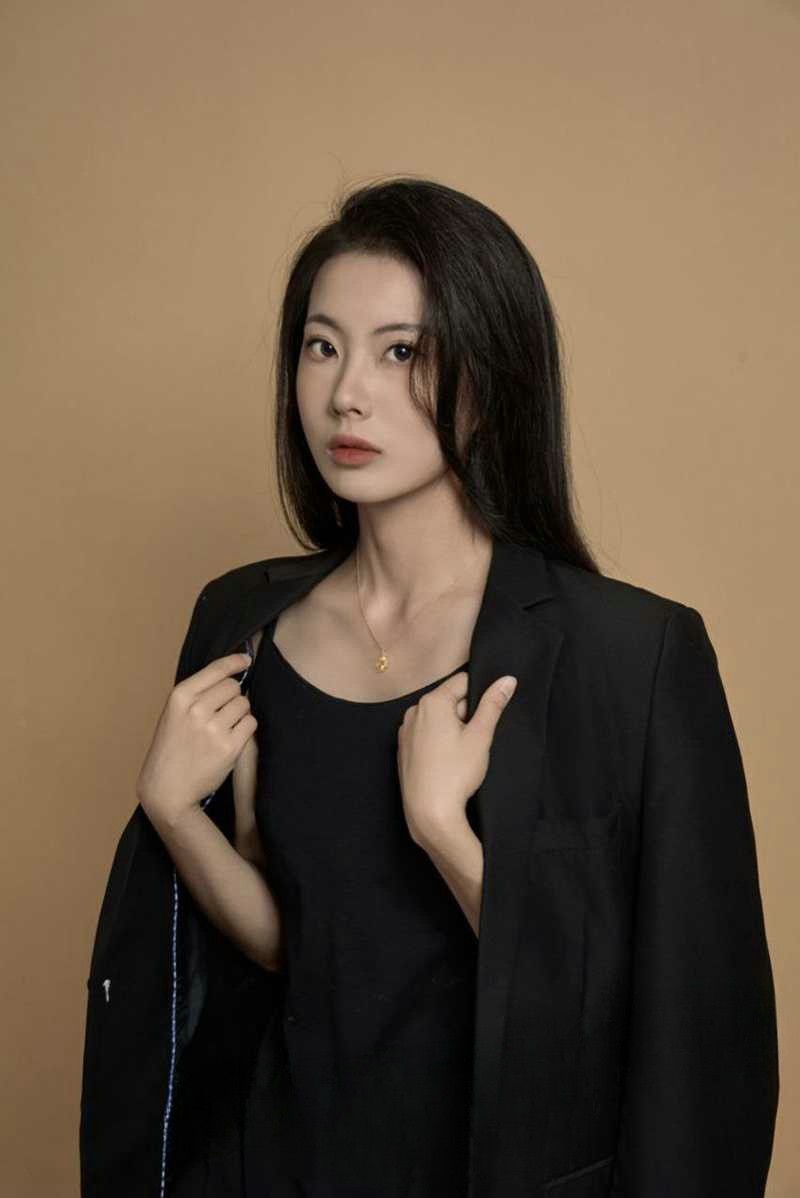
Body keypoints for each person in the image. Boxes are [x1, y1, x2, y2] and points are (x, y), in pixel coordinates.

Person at [81, 177, 779, 1198]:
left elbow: (676, 1030)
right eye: (321, 347)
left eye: (401, 351)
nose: (345, 394)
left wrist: (445, 834)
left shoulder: (631, 657)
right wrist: (176, 815)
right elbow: (299, 950)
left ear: (491, 377)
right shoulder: (243, 623)